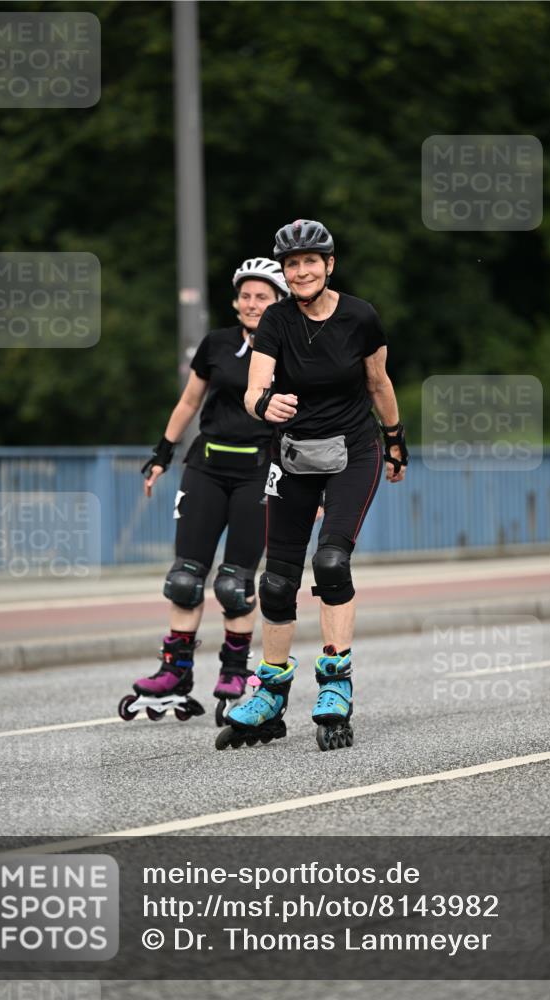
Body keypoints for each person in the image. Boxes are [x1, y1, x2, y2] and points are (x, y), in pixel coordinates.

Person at [215, 220, 408, 752]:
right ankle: (270, 692)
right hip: (294, 454)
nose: (300, 271)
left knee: (330, 563)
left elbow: (378, 382)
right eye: (291, 264)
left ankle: (335, 684)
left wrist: (395, 440)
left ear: (329, 265)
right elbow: (255, 389)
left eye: (310, 262)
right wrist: (264, 405)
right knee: (276, 581)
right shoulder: (276, 319)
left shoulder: (359, 317)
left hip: (353, 451)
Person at [118, 258, 288, 726]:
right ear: (236, 300)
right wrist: (161, 455)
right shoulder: (216, 345)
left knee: (235, 582)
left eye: (263, 297)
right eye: (247, 296)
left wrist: (303, 484)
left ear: (279, 303)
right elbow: (190, 401)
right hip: (206, 466)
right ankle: (174, 671)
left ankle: (235, 671)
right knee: (185, 577)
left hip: (259, 471)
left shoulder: (288, 350)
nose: (253, 304)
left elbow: (301, 419)